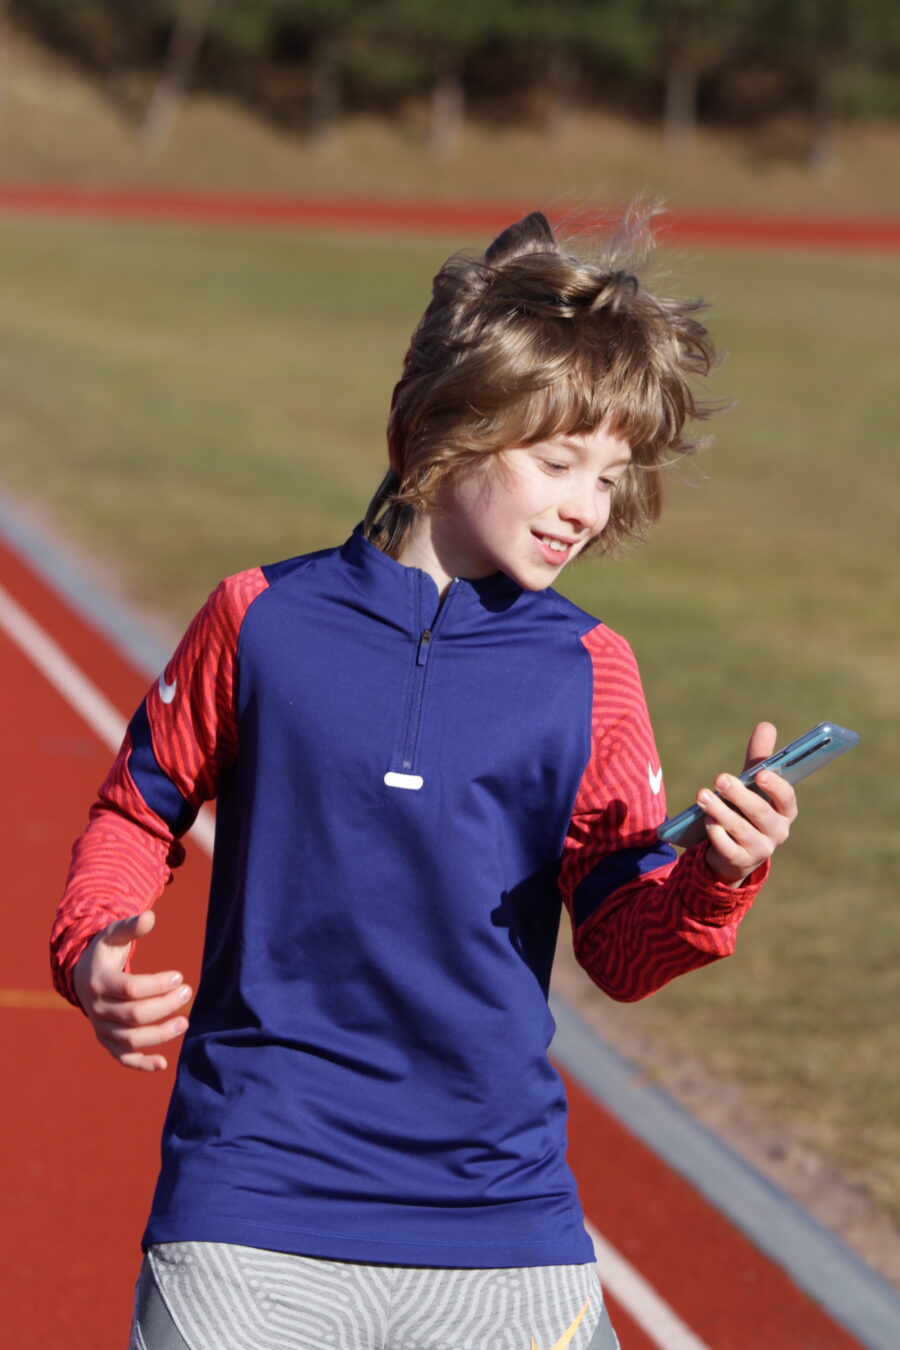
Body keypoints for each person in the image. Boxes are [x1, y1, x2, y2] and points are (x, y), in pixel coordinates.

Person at [51, 209, 797, 1350]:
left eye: (610, 477)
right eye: (558, 464)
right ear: (447, 434)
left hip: (501, 1224)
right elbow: (135, 806)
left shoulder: (591, 672)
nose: (588, 510)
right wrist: (93, 937)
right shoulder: (262, 618)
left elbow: (620, 950)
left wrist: (714, 876)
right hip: (250, 1210)